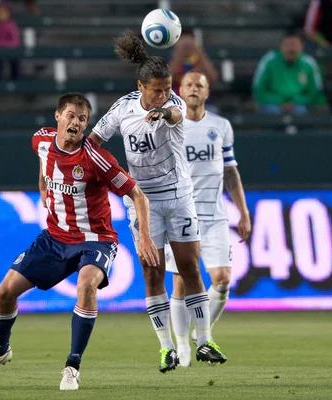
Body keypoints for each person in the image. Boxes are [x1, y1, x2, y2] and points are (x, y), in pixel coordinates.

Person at [0, 93, 158, 390]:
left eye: (82, 119)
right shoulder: (41, 140)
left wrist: (145, 236)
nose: (76, 123)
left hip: (96, 239)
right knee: (5, 292)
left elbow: (137, 194)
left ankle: (72, 365)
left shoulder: (97, 159)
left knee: (86, 285)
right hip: (55, 238)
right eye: (71, 115)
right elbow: (44, 164)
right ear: (57, 116)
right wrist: (43, 187)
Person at [88, 31, 228, 373]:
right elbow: (94, 140)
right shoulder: (123, 109)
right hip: (142, 202)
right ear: (141, 87)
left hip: (179, 197)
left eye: (167, 88)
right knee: (152, 273)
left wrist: (163, 113)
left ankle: (204, 339)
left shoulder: (174, 106)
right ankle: (166, 348)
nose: (164, 95)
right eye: (157, 90)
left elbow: (176, 116)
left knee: (189, 267)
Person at [163, 70, 251, 367]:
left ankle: (204, 333)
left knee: (222, 280)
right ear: (180, 90)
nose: (193, 89)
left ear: (207, 91)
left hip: (215, 216)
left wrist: (243, 211)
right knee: (179, 283)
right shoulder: (171, 126)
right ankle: (183, 346)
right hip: (181, 213)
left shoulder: (220, 126)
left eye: (199, 85)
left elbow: (230, 171)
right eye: (188, 85)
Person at [253, 32, 325, 115]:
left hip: (300, 104)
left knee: (300, 111)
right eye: (287, 45)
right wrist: (279, 101)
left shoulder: (309, 63)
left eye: (295, 45)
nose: (291, 49)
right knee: (273, 112)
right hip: (273, 103)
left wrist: (296, 101)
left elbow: (315, 92)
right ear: (281, 47)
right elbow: (258, 90)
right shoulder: (269, 60)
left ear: (302, 47)